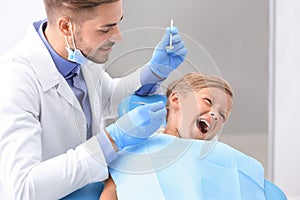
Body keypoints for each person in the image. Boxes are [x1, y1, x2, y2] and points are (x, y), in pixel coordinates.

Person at [0, 0, 187, 199]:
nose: (118, 37)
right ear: (66, 26)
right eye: (105, 29)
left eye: (117, 23)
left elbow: (105, 98)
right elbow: (21, 189)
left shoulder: (79, 53)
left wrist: (153, 73)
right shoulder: (14, 80)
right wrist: (112, 140)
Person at [100, 72, 266, 200]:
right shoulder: (137, 150)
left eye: (222, 115)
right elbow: (110, 193)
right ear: (176, 99)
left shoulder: (221, 158)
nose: (215, 114)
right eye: (208, 101)